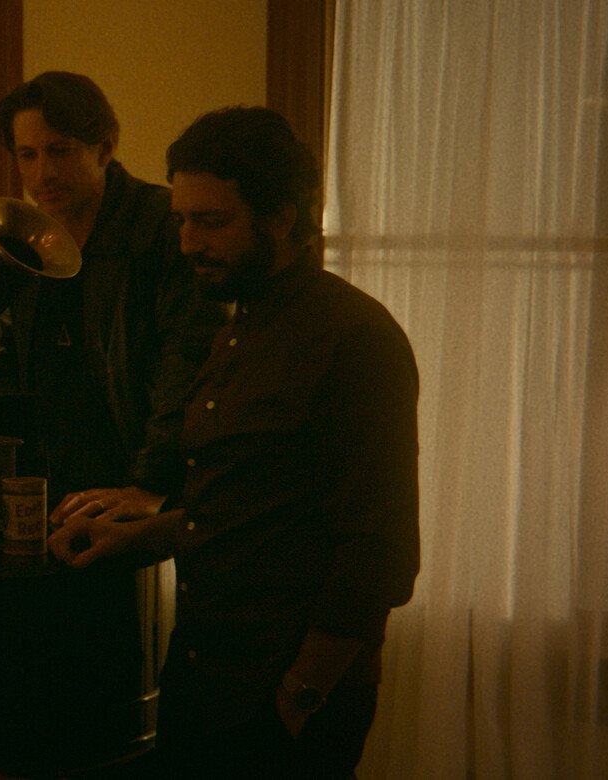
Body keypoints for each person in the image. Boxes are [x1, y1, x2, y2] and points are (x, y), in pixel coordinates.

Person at [49, 106, 421, 775]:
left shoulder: (354, 339)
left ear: (280, 218)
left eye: (212, 222)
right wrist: (132, 537)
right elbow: (238, 509)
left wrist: (300, 695)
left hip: (282, 694)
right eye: (181, 221)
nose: (188, 243)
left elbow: (379, 552)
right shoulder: (233, 331)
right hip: (202, 675)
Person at [0, 72, 223, 516]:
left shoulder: (161, 226)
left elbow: (187, 362)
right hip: (51, 490)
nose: (43, 173)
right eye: (27, 155)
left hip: (139, 488)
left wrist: (149, 484)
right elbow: (5, 362)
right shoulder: (25, 238)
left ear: (106, 147)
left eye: (60, 151)